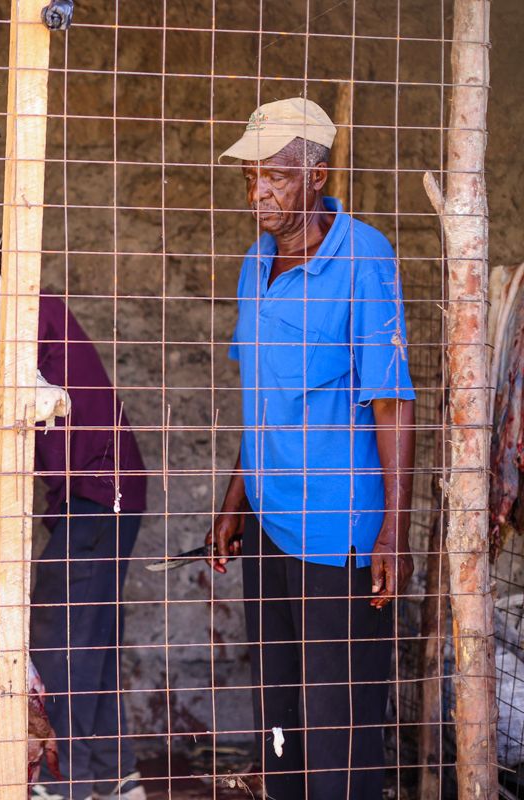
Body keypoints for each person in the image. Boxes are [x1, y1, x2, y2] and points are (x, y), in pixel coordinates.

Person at [207, 98, 416, 799]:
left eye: (276, 177)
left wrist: (395, 529)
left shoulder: (364, 257)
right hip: (271, 520)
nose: (259, 192)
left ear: (317, 176)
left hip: (338, 531)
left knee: (340, 730)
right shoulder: (254, 263)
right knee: (281, 715)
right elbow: (262, 400)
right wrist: (233, 504)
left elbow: (391, 401)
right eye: (250, 178)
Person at [29, 290, 148, 800]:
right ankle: (117, 779)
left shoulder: (22, 314)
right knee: (90, 643)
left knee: (61, 643)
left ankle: (61, 786)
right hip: (103, 488)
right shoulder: (39, 309)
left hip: (98, 489)